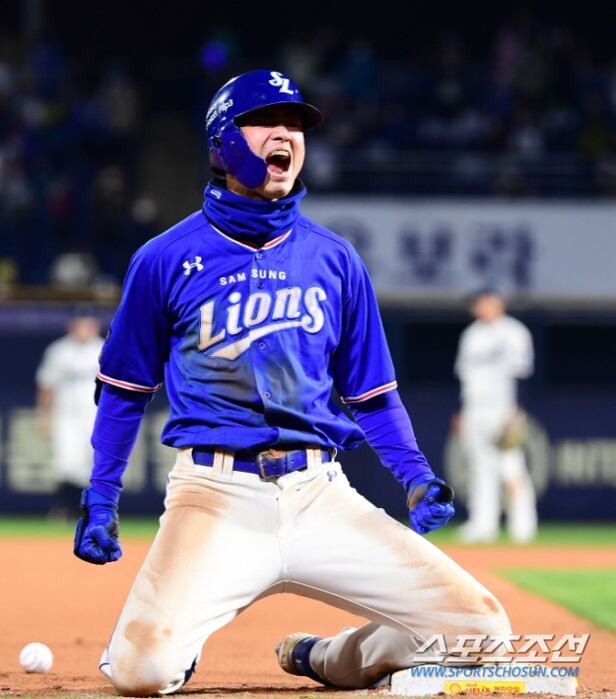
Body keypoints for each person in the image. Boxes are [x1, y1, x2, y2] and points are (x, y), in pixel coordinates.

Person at [73, 70, 511, 695]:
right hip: (213, 496)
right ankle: (174, 645)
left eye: (297, 124)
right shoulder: (163, 259)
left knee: (484, 632)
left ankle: (330, 657)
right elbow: (123, 391)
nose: (286, 134)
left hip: (320, 494)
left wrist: (415, 476)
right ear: (222, 143)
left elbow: (372, 395)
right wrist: (101, 496)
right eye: (266, 121)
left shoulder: (335, 259)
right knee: (143, 673)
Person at [454, 289, 538, 543]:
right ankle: (483, 524)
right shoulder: (471, 335)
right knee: (479, 468)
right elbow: (466, 378)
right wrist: (462, 412)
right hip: (475, 408)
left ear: (499, 304)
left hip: (503, 408)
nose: (484, 308)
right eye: (480, 304)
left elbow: (522, 374)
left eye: (488, 303)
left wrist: (517, 410)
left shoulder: (514, 332)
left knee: (511, 466)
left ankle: (523, 526)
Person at [36, 311, 104, 519]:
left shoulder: (104, 349)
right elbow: (46, 385)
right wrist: (44, 416)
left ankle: (87, 510)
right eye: (80, 325)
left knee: (90, 465)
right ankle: (64, 508)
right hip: (65, 416)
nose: (84, 330)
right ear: (72, 327)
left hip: (95, 416)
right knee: (66, 464)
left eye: (88, 325)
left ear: (95, 327)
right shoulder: (59, 350)